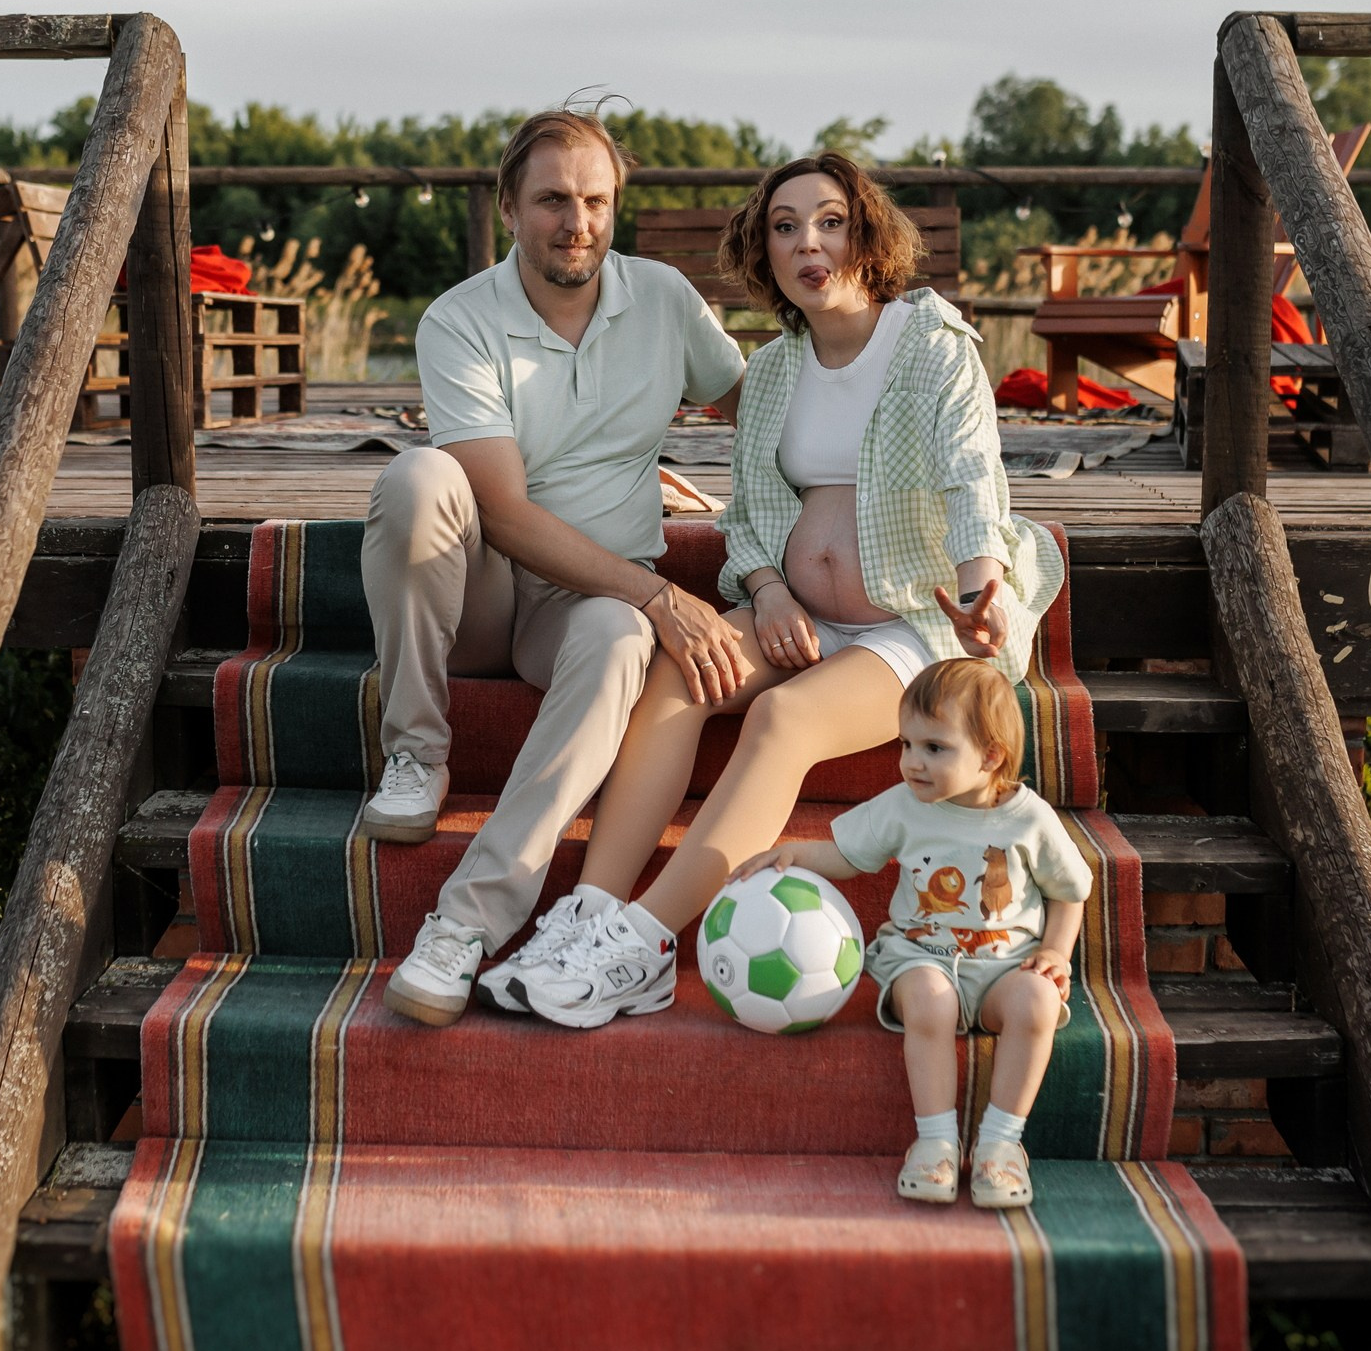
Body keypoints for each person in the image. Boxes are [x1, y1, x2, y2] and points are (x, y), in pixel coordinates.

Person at [494, 151, 1065, 1028]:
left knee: (780, 718)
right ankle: (592, 912)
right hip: (798, 615)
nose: (810, 243)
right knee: (684, 671)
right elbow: (753, 515)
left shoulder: (931, 346)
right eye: (786, 227)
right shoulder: (771, 375)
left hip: (911, 620)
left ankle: (643, 942)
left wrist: (980, 581)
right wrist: (765, 589)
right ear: (766, 253)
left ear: (865, 233)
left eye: (830, 221)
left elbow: (970, 478)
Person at [368, 109, 751, 1026]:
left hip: (585, 618)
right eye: (551, 199)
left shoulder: (663, 301)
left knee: (621, 636)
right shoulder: (460, 320)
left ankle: (463, 923)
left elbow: (764, 410)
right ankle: (416, 751)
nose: (575, 221)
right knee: (420, 479)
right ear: (509, 207)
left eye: (594, 199)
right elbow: (498, 510)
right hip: (486, 596)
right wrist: (662, 592)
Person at [729, 659, 1090, 1209]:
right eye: (906, 745)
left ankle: (999, 1145)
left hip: (1002, 969)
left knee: (1039, 1002)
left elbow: (1070, 890)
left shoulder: (1029, 819)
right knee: (929, 999)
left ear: (990, 756)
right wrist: (795, 852)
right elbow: (849, 857)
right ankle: (937, 1142)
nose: (911, 764)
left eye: (934, 749)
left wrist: (1056, 953)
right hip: (919, 956)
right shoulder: (904, 806)